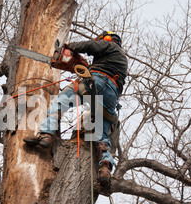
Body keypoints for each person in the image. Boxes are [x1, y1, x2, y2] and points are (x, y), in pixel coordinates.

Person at [23, 31, 128, 187]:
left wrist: (69, 47)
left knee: (59, 102)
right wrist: (85, 66)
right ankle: (105, 167)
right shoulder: (121, 59)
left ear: (106, 39)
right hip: (111, 94)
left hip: (99, 80)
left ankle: (46, 134)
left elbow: (90, 46)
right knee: (102, 135)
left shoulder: (109, 45)